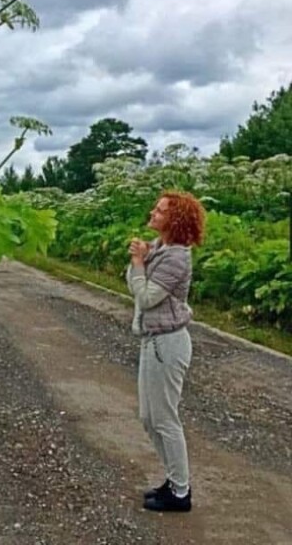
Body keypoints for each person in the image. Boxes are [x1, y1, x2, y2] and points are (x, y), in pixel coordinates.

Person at [126, 191, 205, 512]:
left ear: (175, 220)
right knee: (148, 417)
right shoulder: (160, 247)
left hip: (168, 344)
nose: (153, 213)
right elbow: (136, 283)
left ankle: (180, 492)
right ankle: (173, 480)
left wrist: (137, 264)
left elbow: (145, 297)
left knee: (165, 418)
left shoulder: (177, 257)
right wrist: (141, 260)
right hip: (152, 339)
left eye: (159, 211)